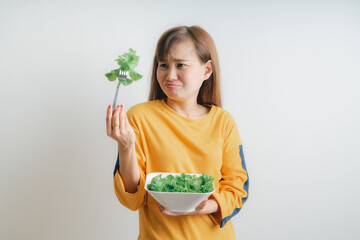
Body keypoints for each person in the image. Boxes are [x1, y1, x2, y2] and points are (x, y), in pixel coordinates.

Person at [106, 25, 249, 240]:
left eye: (180, 65)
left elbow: (238, 188)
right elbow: (132, 200)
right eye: (163, 65)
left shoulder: (223, 122)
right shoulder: (140, 117)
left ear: (206, 70)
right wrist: (126, 147)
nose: (170, 75)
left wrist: (205, 206)